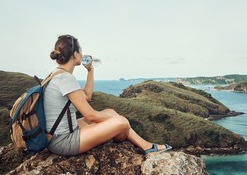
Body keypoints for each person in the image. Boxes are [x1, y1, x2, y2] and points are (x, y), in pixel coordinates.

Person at [44, 34, 172, 156]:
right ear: (75, 54)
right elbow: (91, 115)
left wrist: (90, 71)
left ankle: (146, 146)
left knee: (110, 112)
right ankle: (145, 145)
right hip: (63, 141)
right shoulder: (66, 79)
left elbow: (87, 96)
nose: (82, 54)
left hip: (61, 133)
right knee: (122, 122)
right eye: (80, 50)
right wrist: (120, 121)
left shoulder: (57, 74)